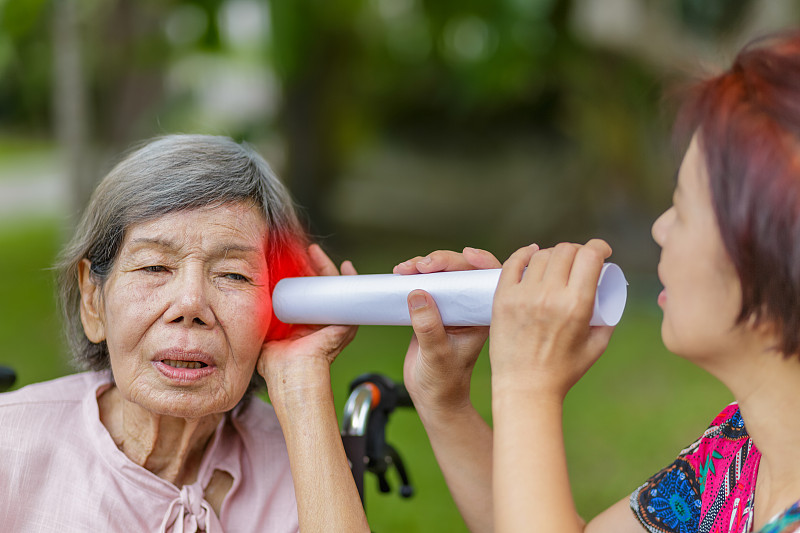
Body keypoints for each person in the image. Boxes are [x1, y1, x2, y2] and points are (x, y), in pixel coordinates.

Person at [394, 32, 800, 533]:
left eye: (686, 208)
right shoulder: (740, 448)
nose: (660, 228)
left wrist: (526, 385)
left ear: (770, 251)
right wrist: (446, 402)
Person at [0, 134, 369, 532]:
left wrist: (302, 385)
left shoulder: (305, 462)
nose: (191, 304)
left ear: (278, 306)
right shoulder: (11, 448)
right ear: (93, 299)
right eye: (155, 267)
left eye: (233, 274)